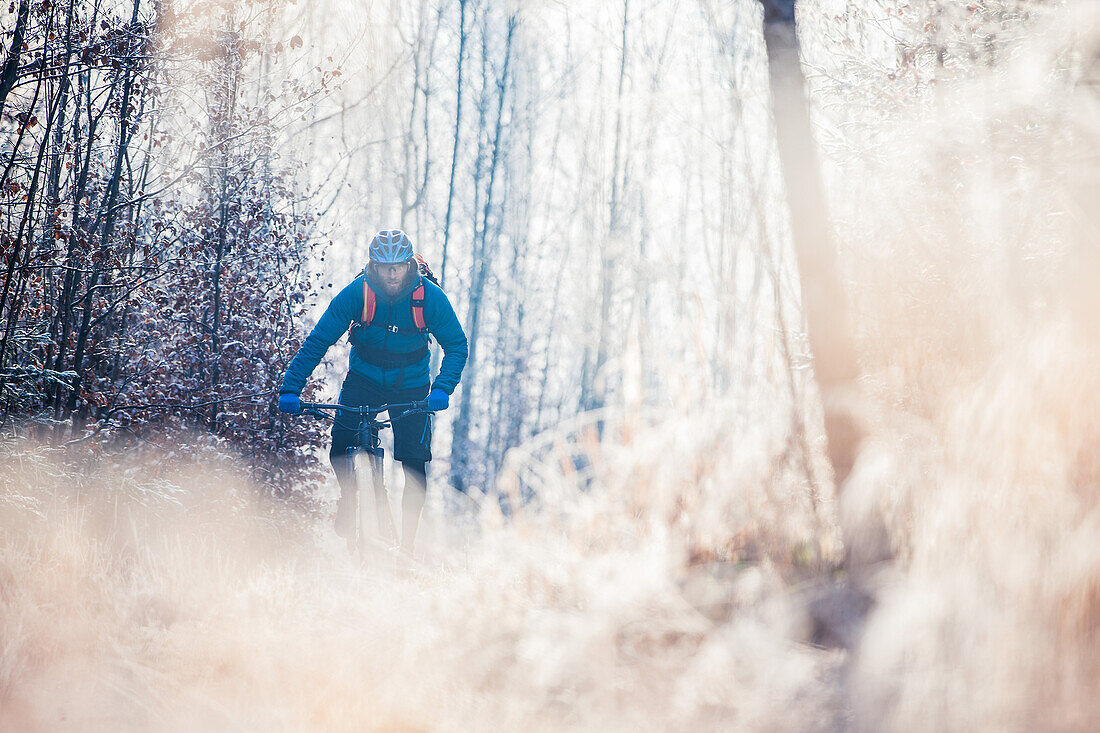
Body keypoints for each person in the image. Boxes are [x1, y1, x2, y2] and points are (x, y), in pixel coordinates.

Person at [277, 229, 468, 554]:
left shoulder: (429, 297)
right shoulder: (358, 293)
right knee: (339, 448)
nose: (392, 274)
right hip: (364, 378)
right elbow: (318, 342)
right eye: (384, 266)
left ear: (409, 266)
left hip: (412, 386)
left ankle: (405, 548)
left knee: (414, 466)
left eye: (398, 266)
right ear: (374, 266)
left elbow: (457, 345)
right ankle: (350, 499)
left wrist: (442, 388)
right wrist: (290, 388)